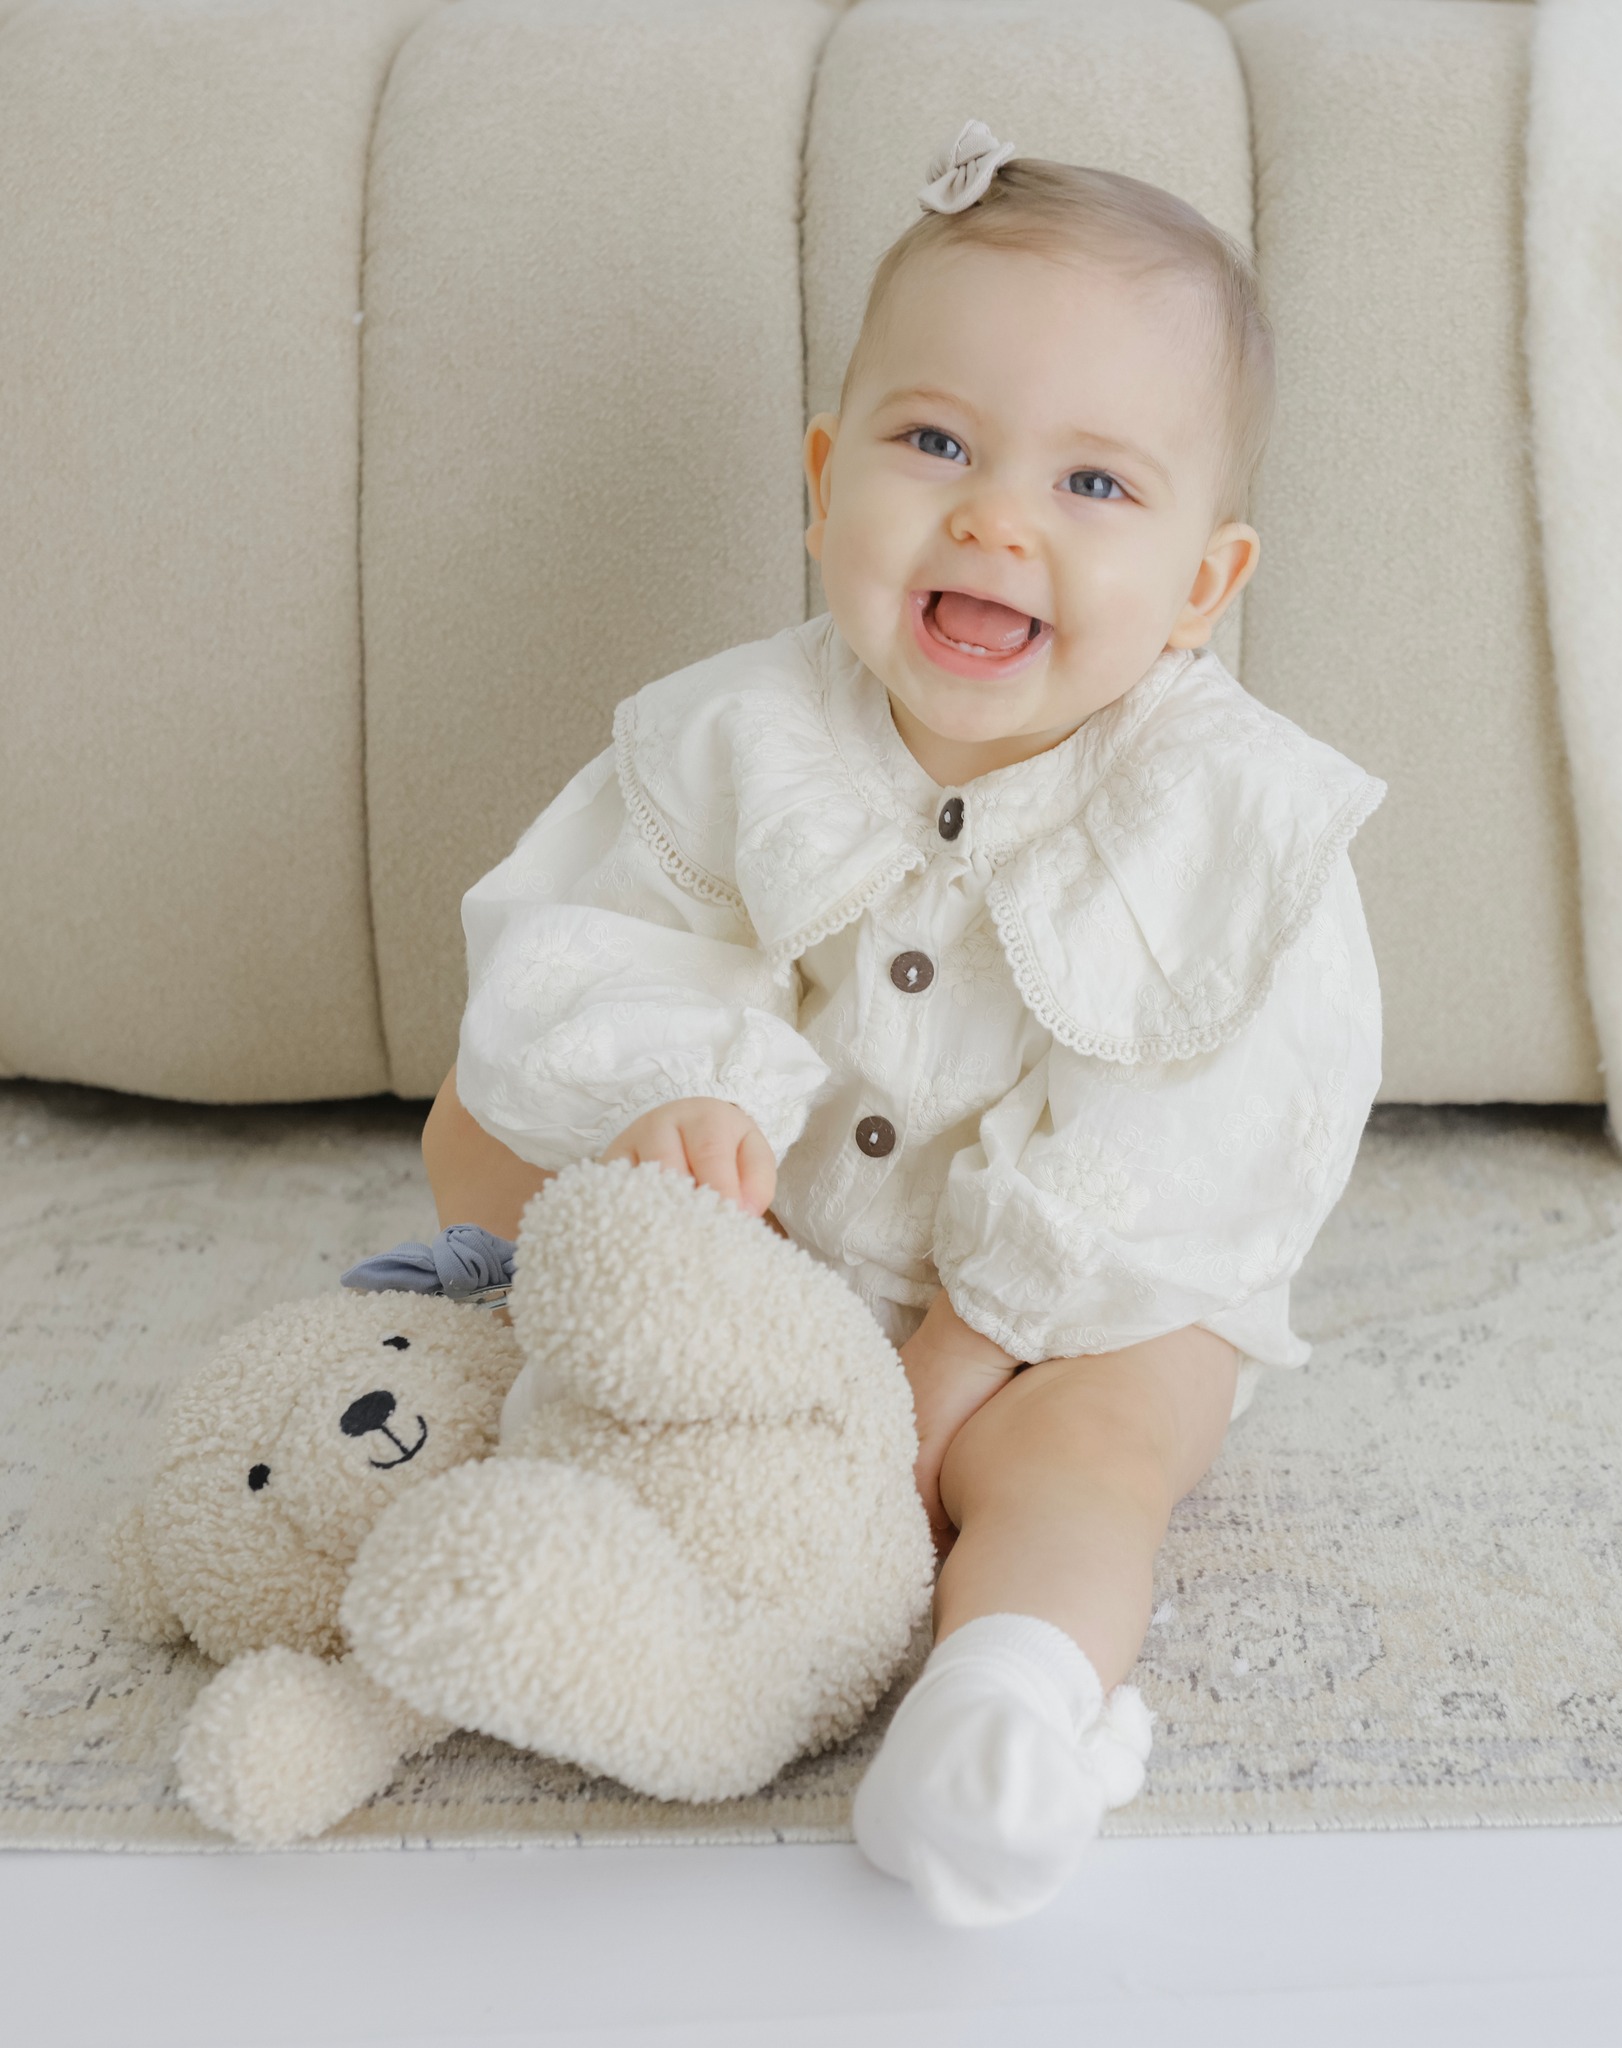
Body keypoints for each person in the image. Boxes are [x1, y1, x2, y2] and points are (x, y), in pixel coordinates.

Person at [347, 122, 1384, 1926]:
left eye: (1093, 484)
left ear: (1205, 586)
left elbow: (1201, 1128)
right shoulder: (732, 730)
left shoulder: (1233, 820)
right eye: (935, 445)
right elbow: (603, 936)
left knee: (1102, 1443)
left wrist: (966, 1350)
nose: (994, 518)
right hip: (764, 1255)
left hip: (1051, 1312)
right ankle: (623, 1458)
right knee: (474, 1116)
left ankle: (1006, 1710)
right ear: (825, 481)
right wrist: (683, 1103)